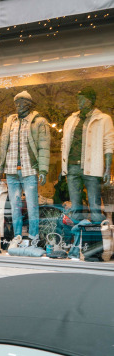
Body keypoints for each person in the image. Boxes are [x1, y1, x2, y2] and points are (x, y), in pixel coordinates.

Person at [60, 86, 114, 258]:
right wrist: (64, 167)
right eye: (78, 99)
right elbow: (64, 143)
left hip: (92, 167)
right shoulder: (71, 119)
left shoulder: (103, 119)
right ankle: (75, 248)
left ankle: (95, 250)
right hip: (73, 167)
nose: (79, 102)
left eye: (82, 99)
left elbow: (108, 144)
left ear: (91, 100)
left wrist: (107, 168)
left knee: (95, 209)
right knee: (75, 209)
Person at [0, 91, 50, 242]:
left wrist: (43, 170)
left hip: (29, 170)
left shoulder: (39, 122)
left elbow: (44, 147)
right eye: (16, 103)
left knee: (32, 207)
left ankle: (33, 238)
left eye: (22, 102)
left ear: (29, 104)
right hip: (11, 169)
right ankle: (17, 237)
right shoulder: (9, 123)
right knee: (15, 207)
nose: (18, 106)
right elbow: (2, 146)